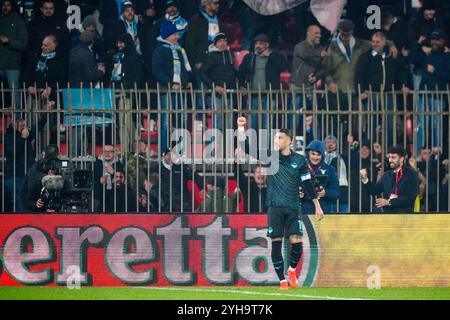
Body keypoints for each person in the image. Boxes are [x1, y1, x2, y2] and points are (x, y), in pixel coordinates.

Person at [236, 116, 324, 290]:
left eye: (281, 137)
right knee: (276, 243)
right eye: (276, 137)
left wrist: (317, 204)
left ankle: (291, 270)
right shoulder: (270, 156)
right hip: (274, 207)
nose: (277, 140)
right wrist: (240, 128)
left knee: (296, 242)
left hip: (293, 206)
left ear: (290, 141)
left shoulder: (299, 161)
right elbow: (247, 148)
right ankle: (282, 281)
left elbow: (307, 183)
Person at [355, 31, 409, 147]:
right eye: (373, 42)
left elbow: (400, 72)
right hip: (372, 94)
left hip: (388, 94)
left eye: (377, 42)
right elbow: (359, 75)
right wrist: (361, 91)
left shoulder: (391, 55)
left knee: (390, 123)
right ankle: (369, 148)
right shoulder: (365, 57)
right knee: (371, 123)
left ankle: (388, 149)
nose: (375, 44)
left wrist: (403, 85)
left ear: (384, 42)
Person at [152, 22, 192, 152]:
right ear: (167, 35)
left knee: (181, 118)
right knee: (166, 120)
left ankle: (180, 149)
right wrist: (170, 83)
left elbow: (185, 71)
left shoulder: (180, 50)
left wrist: (185, 82)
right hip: (166, 90)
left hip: (180, 90)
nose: (177, 37)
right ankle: (164, 149)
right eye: (174, 34)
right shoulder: (159, 50)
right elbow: (157, 70)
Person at [410, 29, 450, 154]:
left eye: (437, 40)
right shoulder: (427, 55)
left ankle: (436, 155)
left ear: (443, 41)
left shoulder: (447, 57)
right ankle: (418, 154)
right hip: (423, 96)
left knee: (436, 126)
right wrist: (418, 43)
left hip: (438, 97)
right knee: (420, 126)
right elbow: (412, 58)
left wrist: (435, 71)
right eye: (432, 39)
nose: (434, 42)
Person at [238, 34, 288, 130]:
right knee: (252, 123)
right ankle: (252, 145)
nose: (257, 45)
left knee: (266, 124)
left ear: (267, 45)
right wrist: (241, 85)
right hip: (253, 95)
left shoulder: (274, 56)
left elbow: (283, 67)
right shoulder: (249, 57)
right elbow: (241, 73)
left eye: (260, 43)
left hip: (269, 96)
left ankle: (264, 145)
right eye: (256, 43)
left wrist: (271, 56)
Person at [360, 145, 419, 213]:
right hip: (388, 216)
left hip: (405, 217)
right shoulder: (386, 175)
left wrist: (389, 202)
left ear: (401, 159)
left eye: (393, 157)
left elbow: (410, 199)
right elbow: (375, 191)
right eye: (389, 157)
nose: (390, 160)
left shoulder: (411, 174)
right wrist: (365, 179)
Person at [199, 32, 236, 130]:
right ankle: (218, 143)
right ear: (215, 43)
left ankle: (228, 143)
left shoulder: (230, 55)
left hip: (229, 92)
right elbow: (202, 73)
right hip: (217, 94)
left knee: (229, 120)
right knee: (218, 120)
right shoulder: (211, 56)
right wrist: (214, 86)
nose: (223, 43)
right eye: (220, 41)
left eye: (224, 41)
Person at [150, 147, 204, 212]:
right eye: (168, 155)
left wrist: (202, 188)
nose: (170, 157)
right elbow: (150, 180)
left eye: (172, 155)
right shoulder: (157, 168)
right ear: (163, 157)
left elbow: (195, 176)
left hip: (182, 199)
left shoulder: (182, 167)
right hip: (166, 200)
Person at [0, 0, 28, 109]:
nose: (5, 7)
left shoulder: (18, 22)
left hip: (12, 65)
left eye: (8, 5)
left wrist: (9, 41)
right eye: (3, 5)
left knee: (14, 93)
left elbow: (23, 44)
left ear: (12, 6)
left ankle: (17, 120)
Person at [4, 118, 36, 212]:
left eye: (24, 124)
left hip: (27, 175)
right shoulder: (9, 137)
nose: (24, 126)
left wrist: (48, 112)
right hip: (15, 176)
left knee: (26, 202)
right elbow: (13, 152)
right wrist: (22, 138)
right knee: (19, 203)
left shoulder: (27, 135)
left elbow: (38, 126)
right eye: (21, 124)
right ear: (14, 124)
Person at [300, 140, 339, 214]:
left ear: (322, 155)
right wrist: (298, 193)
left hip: (324, 211)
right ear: (308, 153)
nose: (315, 157)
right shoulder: (300, 169)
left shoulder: (330, 170)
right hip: (303, 212)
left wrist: (325, 193)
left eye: (318, 154)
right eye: (313, 154)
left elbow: (336, 192)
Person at [21, 144, 59, 212]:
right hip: (35, 211)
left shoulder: (33, 169)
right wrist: (36, 204)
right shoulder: (35, 171)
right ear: (58, 155)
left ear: (43, 154)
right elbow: (28, 196)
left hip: (34, 208)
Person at [93, 144, 124, 211]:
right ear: (101, 152)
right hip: (98, 195)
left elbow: (123, 182)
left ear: (114, 153)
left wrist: (113, 173)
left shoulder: (119, 165)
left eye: (110, 151)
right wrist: (100, 182)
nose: (107, 154)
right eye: (105, 151)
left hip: (115, 194)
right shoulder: (95, 164)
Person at [323, 135, 349, 212]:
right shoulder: (320, 159)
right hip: (327, 192)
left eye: (333, 142)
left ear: (337, 145)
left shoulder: (342, 158)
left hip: (342, 191)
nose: (330, 144)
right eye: (328, 142)